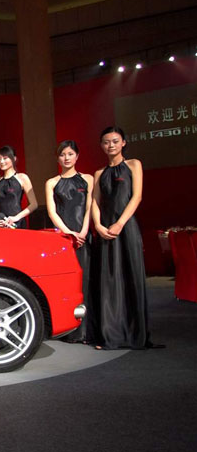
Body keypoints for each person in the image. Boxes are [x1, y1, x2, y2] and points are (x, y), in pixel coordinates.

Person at [91, 126, 158, 350]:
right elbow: (95, 202)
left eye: (115, 141)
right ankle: (111, 335)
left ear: (123, 143)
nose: (111, 145)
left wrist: (120, 223)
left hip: (126, 228)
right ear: (101, 145)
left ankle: (135, 335)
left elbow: (136, 196)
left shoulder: (133, 165)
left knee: (131, 278)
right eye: (106, 142)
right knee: (108, 283)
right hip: (105, 230)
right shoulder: (99, 173)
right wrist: (98, 225)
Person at [45, 140, 94, 343]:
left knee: (86, 281)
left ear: (77, 156)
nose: (66, 158)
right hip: (64, 238)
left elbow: (90, 206)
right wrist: (68, 233)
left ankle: (88, 329)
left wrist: (83, 231)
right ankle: (69, 330)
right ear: (58, 158)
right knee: (67, 283)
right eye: (62, 154)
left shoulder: (88, 179)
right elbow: (52, 211)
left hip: (84, 235)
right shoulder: (52, 182)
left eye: (70, 154)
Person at [0, 145, 38, 229]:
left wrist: (16, 218)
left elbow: (34, 204)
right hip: (1, 224)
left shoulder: (22, 178)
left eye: (5, 158)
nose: (2, 161)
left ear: (14, 159)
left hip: (16, 224)